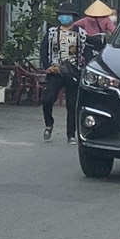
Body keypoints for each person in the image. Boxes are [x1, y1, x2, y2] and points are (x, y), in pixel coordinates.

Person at [39, 11, 83, 141]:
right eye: (62, 15)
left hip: (73, 72)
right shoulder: (52, 33)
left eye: (67, 15)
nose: (64, 17)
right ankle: (49, 123)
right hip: (55, 71)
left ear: (73, 17)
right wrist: (47, 66)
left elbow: (87, 51)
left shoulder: (80, 33)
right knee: (47, 99)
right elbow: (43, 49)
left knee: (72, 105)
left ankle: (71, 134)